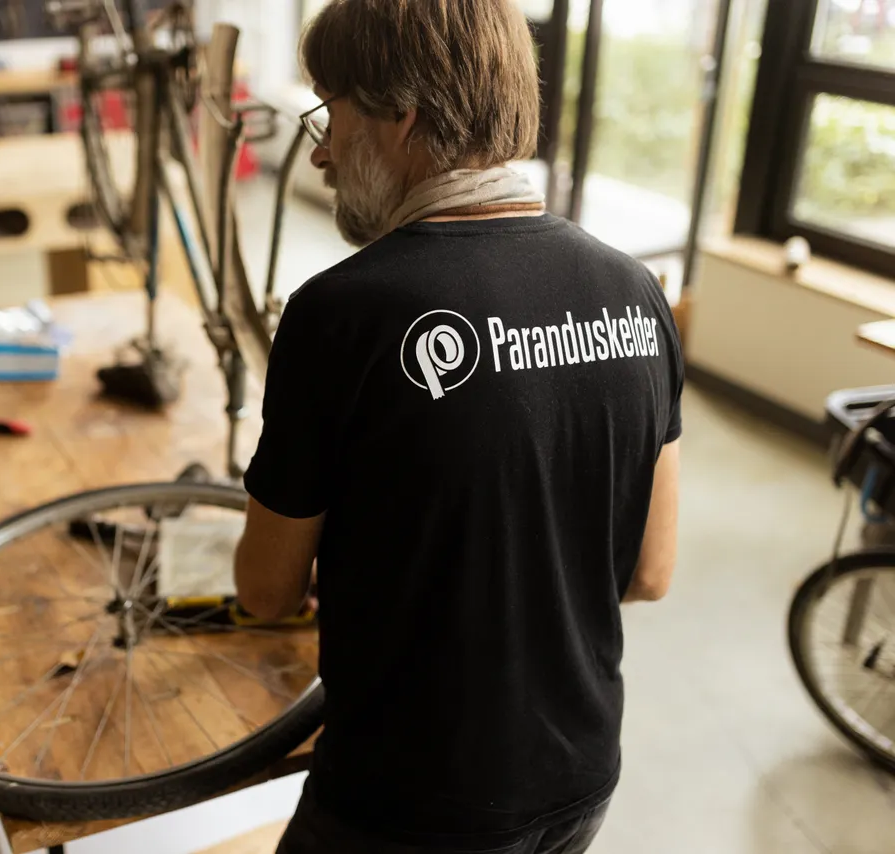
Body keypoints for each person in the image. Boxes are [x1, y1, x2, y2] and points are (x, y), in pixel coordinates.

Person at [232, 2, 683, 852]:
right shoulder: (636, 292)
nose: (322, 149)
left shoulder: (342, 313)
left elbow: (265, 592)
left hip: (408, 798)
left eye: (331, 111)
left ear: (403, 116)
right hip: (579, 778)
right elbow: (650, 572)